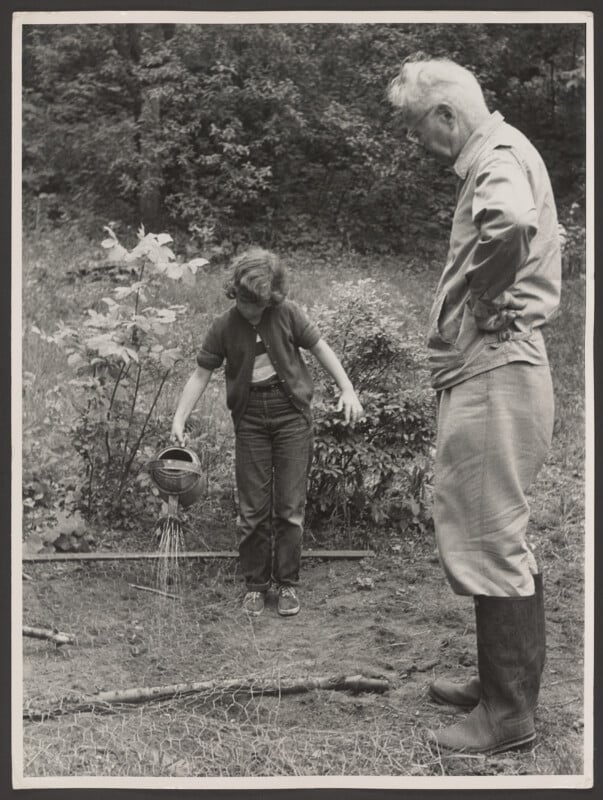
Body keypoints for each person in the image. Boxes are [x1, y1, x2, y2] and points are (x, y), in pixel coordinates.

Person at [387, 57, 561, 754]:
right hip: (496, 367)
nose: (415, 143)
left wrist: (485, 298)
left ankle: (507, 717)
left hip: (494, 368)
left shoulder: (493, 155)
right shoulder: (508, 147)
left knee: (489, 538)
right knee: (496, 531)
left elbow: (511, 223)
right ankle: (499, 687)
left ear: (444, 117)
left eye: (414, 128)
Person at [171, 248, 363, 618]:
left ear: (272, 297)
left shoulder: (287, 314)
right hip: (250, 421)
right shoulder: (224, 327)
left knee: (290, 508)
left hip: (291, 416)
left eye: (258, 304)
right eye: (244, 302)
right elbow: (200, 374)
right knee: (252, 510)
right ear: (235, 294)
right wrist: (180, 418)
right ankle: (255, 585)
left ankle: (286, 584)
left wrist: (347, 388)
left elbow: (320, 347)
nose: (250, 310)